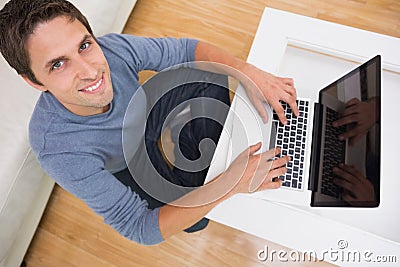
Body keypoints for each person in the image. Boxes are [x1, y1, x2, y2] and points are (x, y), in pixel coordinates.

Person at [0, 0, 298, 245]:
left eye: (84, 46)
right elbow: (140, 227)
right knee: (193, 219)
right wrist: (229, 185)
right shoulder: (57, 150)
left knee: (213, 73)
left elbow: (185, 50)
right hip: (125, 161)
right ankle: (210, 182)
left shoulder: (113, 49)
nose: (89, 71)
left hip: (145, 111)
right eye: (58, 64)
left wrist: (249, 72)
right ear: (34, 81)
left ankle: (205, 164)